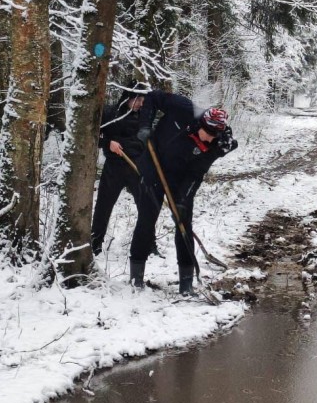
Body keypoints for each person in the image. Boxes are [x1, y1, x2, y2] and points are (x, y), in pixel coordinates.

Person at [130, 90, 238, 294]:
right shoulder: (184, 108)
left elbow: (195, 175)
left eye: (215, 137)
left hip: (181, 178)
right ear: (202, 125)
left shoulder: (215, 146)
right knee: (146, 220)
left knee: (184, 225)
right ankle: (136, 278)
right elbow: (152, 97)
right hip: (153, 165)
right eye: (208, 135)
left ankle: (186, 283)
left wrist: (182, 200)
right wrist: (145, 125)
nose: (209, 141)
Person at [91, 83, 147, 256]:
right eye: (137, 99)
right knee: (103, 206)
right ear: (128, 98)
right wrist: (108, 143)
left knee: (146, 207)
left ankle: (148, 244)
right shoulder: (111, 114)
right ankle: (95, 244)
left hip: (137, 168)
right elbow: (94, 134)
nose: (140, 103)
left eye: (142, 100)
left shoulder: (145, 117)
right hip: (114, 168)